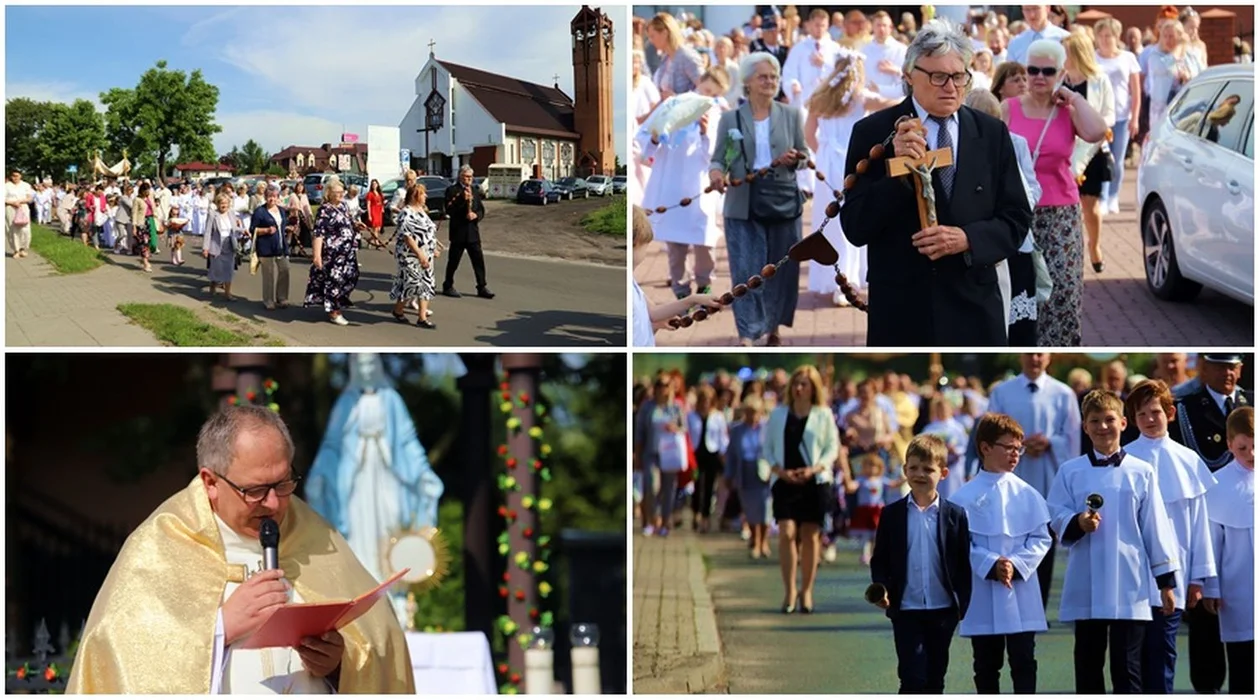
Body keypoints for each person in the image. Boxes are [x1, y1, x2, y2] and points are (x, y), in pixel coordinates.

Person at [65, 406, 414, 693]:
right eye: (256, 490)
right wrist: (220, 628)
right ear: (210, 482)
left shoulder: (316, 534)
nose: (274, 503)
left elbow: (379, 643)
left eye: (283, 483)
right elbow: (120, 656)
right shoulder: (162, 542)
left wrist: (338, 665)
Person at [840, 19, 1032, 346]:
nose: (951, 87)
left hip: (973, 302)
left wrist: (968, 238)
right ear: (909, 75)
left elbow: (1016, 218)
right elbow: (855, 227)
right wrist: (895, 171)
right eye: (938, 76)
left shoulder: (990, 133)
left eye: (959, 77)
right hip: (903, 307)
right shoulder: (873, 133)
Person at [1047, 390, 1180, 694]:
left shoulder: (1142, 471)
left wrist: (1166, 582)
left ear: (1123, 423)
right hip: (1087, 577)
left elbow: (1155, 526)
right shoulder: (1071, 470)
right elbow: (1055, 513)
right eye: (1095, 421)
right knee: (1088, 662)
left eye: (1109, 420)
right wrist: (1077, 522)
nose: (1102, 427)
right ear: (1085, 426)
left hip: (1129, 580)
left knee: (1127, 666)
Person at [306, 354, 444, 624]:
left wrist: (424, 473)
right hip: (355, 482)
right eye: (362, 365)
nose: (367, 370)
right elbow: (332, 446)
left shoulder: (391, 400)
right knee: (360, 535)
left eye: (371, 365)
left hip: (388, 477)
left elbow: (407, 443)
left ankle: (395, 598)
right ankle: (362, 595)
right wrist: (320, 473)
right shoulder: (346, 403)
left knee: (389, 530)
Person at [1003, 39, 1107, 347]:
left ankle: (1059, 347)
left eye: (1048, 71)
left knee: (1062, 289)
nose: (1038, 77)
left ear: (1060, 72)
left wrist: (1074, 96)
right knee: (1022, 286)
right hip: (1019, 210)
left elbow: (1098, 132)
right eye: (1032, 69)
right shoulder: (1008, 109)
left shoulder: (1067, 110)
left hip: (1061, 212)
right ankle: (1023, 344)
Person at [707, 52, 810, 347]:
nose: (770, 82)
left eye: (774, 77)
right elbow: (720, 158)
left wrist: (796, 158)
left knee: (781, 269)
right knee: (746, 270)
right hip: (743, 202)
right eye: (763, 76)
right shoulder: (732, 118)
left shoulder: (791, 115)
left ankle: (772, 327)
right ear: (747, 82)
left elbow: (805, 155)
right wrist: (716, 174)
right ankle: (748, 333)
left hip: (783, 202)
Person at [1123, 379, 1218, 694]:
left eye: (1156, 412)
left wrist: (1199, 578)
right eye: (1142, 414)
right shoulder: (1123, 459)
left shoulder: (1188, 459)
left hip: (1175, 573)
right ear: (1132, 419)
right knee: (1131, 657)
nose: (1150, 420)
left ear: (1170, 413)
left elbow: (1199, 523)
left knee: (1164, 650)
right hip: (1131, 576)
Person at [1168, 353, 1252, 693]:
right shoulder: (1185, 406)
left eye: (1233, 365)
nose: (1228, 372)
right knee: (1207, 617)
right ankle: (1207, 685)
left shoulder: (1251, 401)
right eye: (1220, 365)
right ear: (1203, 367)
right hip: (1202, 514)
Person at [952, 413, 1051, 694]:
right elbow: (960, 543)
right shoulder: (963, 496)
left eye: (1019, 448)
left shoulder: (1028, 493)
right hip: (982, 589)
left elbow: (1041, 538)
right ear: (985, 448)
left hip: (1021, 588)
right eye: (1008, 447)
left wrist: (1017, 564)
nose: (1015, 454)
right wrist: (989, 563)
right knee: (985, 663)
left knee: (1023, 660)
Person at [869, 434, 972, 693]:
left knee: (936, 677)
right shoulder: (891, 514)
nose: (920, 474)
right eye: (913, 467)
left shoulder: (955, 515)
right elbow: (880, 558)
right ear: (904, 470)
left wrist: (963, 603)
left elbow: (962, 562)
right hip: (906, 608)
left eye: (928, 469)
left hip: (943, 610)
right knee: (912, 677)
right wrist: (881, 588)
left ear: (944, 473)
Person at [984, 353, 1081, 609]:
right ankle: (1010, 603)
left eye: (1040, 353)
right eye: (1029, 353)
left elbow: (1071, 438)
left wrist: (1050, 443)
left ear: (1049, 357)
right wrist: (1017, 445)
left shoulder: (1063, 393)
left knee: (1042, 542)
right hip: (1013, 477)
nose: (1035, 358)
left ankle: (1038, 605)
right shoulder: (1003, 392)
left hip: (1048, 477)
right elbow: (990, 430)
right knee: (1010, 540)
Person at [804, 52, 898, 306]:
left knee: (830, 220)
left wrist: (824, 152)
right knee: (852, 216)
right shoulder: (859, 96)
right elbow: (893, 104)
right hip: (852, 162)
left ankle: (831, 277)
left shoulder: (819, 97)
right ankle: (847, 278)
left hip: (827, 162)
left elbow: (809, 133)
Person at [635, 69, 727, 301]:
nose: (707, 97)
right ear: (699, 84)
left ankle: (704, 283)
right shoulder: (674, 105)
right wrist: (656, 137)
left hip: (698, 187)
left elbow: (715, 155)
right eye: (705, 90)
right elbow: (645, 142)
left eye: (714, 94)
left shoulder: (716, 114)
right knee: (676, 244)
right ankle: (681, 289)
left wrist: (706, 134)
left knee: (704, 240)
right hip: (672, 185)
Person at [964, 89, 1040, 343]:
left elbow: (1032, 187)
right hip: (979, 242)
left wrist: (1013, 198)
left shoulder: (1014, 142)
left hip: (1012, 242)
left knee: (1017, 316)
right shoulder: (961, 146)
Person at [762, 365, 839, 613]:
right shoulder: (778, 414)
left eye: (804, 384)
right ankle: (789, 591)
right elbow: (768, 447)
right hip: (785, 479)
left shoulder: (823, 414)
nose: (798, 388)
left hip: (814, 481)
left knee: (810, 535)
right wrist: (778, 470)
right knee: (786, 532)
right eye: (795, 383)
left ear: (813, 388)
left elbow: (832, 448)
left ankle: (806, 590)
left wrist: (815, 469)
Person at [1201, 406, 1254, 696]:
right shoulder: (1218, 485)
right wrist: (1212, 586)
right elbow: (1212, 542)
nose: (1251, 454)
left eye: (1256, 445)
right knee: (1243, 666)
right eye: (1243, 447)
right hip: (1238, 590)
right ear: (1230, 444)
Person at [629, 205, 724, 347]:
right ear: (634, 244)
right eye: (645, 245)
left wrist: (693, 300)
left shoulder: (631, 281)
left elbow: (653, 312)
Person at [1094, 18, 1142, 215]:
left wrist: (1135, 117)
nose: (1105, 40)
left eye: (1109, 36)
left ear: (1117, 36)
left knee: (1118, 159)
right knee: (1102, 158)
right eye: (1101, 36)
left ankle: (1114, 196)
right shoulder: (1093, 57)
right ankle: (1102, 197)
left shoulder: (1128, 58)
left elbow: (1136, 91)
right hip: (1099, 117)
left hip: (1122, 116)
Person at [304, 177, 364, 325]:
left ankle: (337, 303)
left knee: (352, 276)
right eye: (337, 192)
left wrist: (356, 225)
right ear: (329, 193)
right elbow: (319, 233)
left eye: (341, 191)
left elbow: (348, 221)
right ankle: (334, 311)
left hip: (348, 252)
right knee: (334, 281)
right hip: (332, 254)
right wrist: (316, 255)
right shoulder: (325, 210)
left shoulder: (343, 206)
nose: (341, 194)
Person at [634, 376, 687, 537]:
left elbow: (684, 428)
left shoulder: (676, 407)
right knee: (651, 486)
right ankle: (651, 520)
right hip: (651, 453)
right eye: (659, 385)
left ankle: (665, 522)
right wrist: (637, 454)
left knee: (669, 489)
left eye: (666, 385)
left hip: (670, 454)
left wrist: (675, 428)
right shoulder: (647, 407)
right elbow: (640, 432)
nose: (662, 389)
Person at [725, 395, 771, 558]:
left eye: (756, 412)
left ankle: (764, 541)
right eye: (749, 412)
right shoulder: (737, 430)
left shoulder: (767, 428)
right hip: (744, 472)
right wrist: (728, 475)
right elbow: (731, 453)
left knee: (766, 509)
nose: (753, 416)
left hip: (764, 472)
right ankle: (755, 540)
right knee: (750, 509)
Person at [390, 184, 439, 329]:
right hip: (410, 255)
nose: (426, 196)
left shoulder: (422, 211)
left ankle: (422, 318)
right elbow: (407, 237)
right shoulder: (406, 212)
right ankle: (398, 310)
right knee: (410, 284)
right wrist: (420, 254)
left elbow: (428, 231)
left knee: (426, 283)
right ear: (415, 196)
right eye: (423, 194)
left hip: (426, 254)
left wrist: (433, 248)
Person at [442, 166, 493, 299]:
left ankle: (481, 286)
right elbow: (449, 210)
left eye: (470, 177)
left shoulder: (475, 190)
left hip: (473, 233)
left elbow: (481, 210)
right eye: (466, 177)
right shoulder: (452, 190)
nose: (469, 180)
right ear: (460, 176)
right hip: (458, 232)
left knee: (478, 261)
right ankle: (448, 285)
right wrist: (461, 200)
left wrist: (476, 215)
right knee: (453, 261)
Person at [844, 453, 903, 565]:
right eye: (868, 466)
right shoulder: (861, 480)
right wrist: (846, 478)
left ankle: (877, 554)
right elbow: (851, 487)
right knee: (866, 534)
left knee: (877, 533)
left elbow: (893, 484)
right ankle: (865, 554)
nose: (871, 469)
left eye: (873, 466)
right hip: (865, 510)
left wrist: (903, 479)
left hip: (877, 510)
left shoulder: (881, 480)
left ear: (879, 468)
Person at [688, 384, 729, 532]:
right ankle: (695, 513)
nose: (705, 403)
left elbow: (722, 438)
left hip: (712, 455)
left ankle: (705, 517)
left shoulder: (717, 416)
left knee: (710, 486)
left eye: (708, 400)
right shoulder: (691, 416)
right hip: (695, 455)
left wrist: (723, 456)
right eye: (703, 399)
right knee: (696, 485)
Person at [250, 185, 291, 311]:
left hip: (280, 246)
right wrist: (266, 230)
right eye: (269, 197)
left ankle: (282, 297)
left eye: (274, 197)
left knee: (285, 269)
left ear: (278, 197)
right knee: (268, 274)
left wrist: (289, 228)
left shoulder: (281, 211)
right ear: (265, 197)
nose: (271, 199)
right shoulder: (260, 212)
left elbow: (283, 225)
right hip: (266, 247)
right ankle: (268, 300)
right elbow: (253, 229)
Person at [647, 12, 705, 99]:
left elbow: (705, 90)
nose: (651, 41)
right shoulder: (665, 58)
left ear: (664, 33)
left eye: (652, 36)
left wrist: (677, 98)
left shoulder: (687, 56)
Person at [204, 193, 242, 302]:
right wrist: (205, 248)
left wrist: (244, 230)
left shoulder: (231, 213)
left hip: (229, 244)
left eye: (226, 203)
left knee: (229, 269)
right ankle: (212, 286)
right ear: (217, 204)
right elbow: (207, 232)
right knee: (216, 269)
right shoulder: (212, 214)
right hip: (216, 244)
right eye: (221, 203)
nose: (224, 205)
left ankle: (227, 293)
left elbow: (235, 228)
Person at [1005, 5, 1070, 65]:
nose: (1031, 15)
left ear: (1047, 8)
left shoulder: (1065, 38)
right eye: (1027, 10)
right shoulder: (1015, 43)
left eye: (1036, 8)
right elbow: (1011, 73)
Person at [5, 169, 35, 259]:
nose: (15, 178)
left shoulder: (25, 185)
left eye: (17, 176)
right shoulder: (6, 186)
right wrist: (12, 203)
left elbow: (29, 198)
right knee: (12, 229)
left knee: (25, 229)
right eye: (13, 176)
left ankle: (23, 248)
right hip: (10, 207)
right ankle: (16, 250)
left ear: (20, 176)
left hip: (23, 207)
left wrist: (21, 201)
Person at [366, 179, 385, 248]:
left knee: (379, 229)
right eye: (373, 184)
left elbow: (382, 201)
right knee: (375, 229)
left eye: (375, 184)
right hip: (373, 211)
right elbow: (368, 204)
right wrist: (369, 215)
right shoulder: (370, 194)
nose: (374, 185)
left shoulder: (379, 193)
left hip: (379, 211)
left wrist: (382, 208)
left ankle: (369, 240)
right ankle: (377, 243)